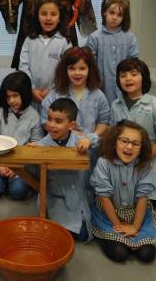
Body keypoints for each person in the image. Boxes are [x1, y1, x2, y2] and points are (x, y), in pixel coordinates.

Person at [90, 120, 156, 263]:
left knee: (148, 254)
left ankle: (129, 239)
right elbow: (104, 198)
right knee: (119, 253)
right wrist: (119, 226)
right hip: (109, 214)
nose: (129, 147)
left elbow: (143, 198)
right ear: (115, 142)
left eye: (135, 144)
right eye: (124, 141)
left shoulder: (145, 166)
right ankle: (107, 237)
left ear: (141, 148)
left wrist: (134, 227)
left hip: (135, 214)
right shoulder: (104, 163)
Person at [111, 58, 156, 206]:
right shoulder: (115, 105)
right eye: (123, 75)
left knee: (144, 205)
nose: (128, 78)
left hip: (147, 164)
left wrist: (142, 158)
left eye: (134, 74)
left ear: (144, 77)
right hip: (122, 162)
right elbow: (113, 135)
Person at [32, 98, 93, 241]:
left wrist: (90, 139)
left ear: (71, 125)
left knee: (84, 232)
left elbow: (103, 142)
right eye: (49, 119)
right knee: (73, 233)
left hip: (80, 196)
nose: (51, 125)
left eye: (58, 121)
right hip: (56, 199)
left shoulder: (80, 141)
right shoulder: (41, 146)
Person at [0, 71, 43, 200]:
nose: (11, 100)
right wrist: (0, 166)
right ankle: (2, 180)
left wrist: (18, 167)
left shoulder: (34, 116)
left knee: (18, 192)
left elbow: (35, 146)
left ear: (25, 93)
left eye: (15, 96)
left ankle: (13, 183)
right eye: (8, 96)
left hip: (22, 165)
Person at [41, 47, 109, 141]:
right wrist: (67, 132)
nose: (77, 73)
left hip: (89, 147)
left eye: (82, 68)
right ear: (65, 70)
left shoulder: (99, 96)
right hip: (60, 146)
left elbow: (103, 121)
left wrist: (92, 137)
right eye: (72, 68)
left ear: (90, 70)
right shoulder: (54, 95)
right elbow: (45, 121)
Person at [87, 0, 139, 106]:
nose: (114, 17)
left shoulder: (130, 38)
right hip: (100, 88)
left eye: (119, 15)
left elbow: (134, 65)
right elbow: (89, 66)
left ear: (124, 18)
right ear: (105, 12)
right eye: (112, 13)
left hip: (124, 89)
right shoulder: (94, 38)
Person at [19, 0, 71, 110]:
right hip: (31, 95)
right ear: (37, 16)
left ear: (60, 18)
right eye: (43, 14)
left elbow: (65, 70)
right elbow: (23, 66)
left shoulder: (64, 42)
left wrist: (52, 89)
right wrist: (32, 89)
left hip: (55, 96)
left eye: (53, 14)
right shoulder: (29, 40)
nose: (48, 18)